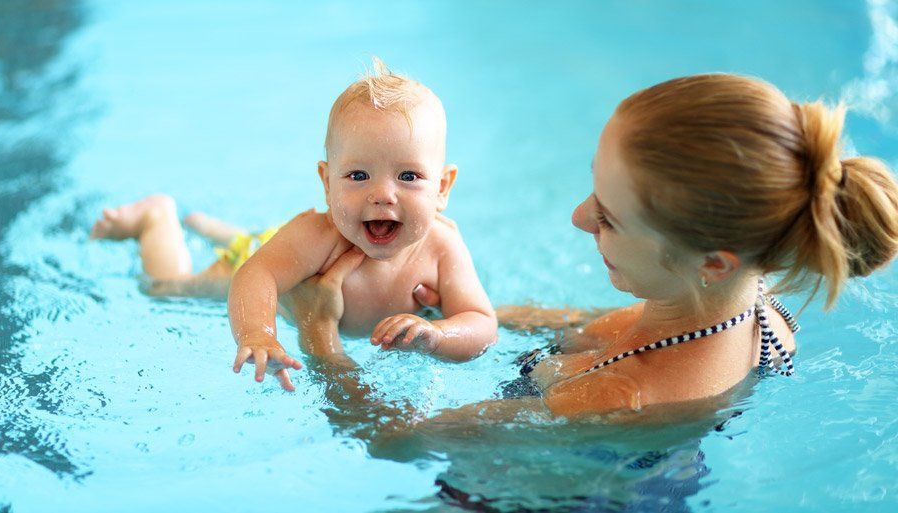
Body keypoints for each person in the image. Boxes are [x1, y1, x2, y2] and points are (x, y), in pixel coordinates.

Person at [293, 73, 898, 420]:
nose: (579, 216)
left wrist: (320, 336)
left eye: (608, 217)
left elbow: (396, 441)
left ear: (714, 260)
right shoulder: (751, 301)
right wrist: (448, 318)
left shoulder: (616, 396)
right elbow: (595, 327)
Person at [90, 59, 497, 392]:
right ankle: (156, 218)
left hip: (285, 250)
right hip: (269, 256)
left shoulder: (442, 246)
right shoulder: (320, 236)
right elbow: (257, 273)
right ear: (326, 182)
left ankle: (219, 229)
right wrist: (257, 331)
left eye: (408, 177)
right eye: (358, 176)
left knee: (269, 244)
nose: (383, 195)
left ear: (443, 187)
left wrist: (438, 335)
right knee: (168, 289)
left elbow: (480, 322)